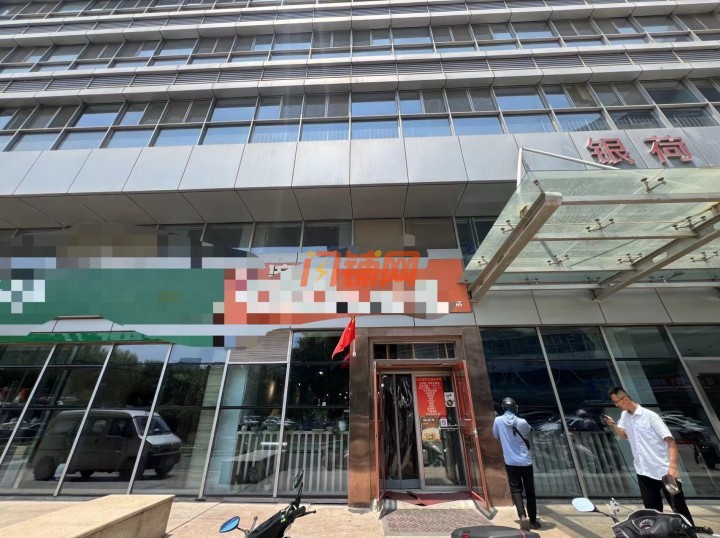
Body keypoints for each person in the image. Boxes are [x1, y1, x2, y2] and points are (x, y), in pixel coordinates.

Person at [604, 387, 695, 525]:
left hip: (664, 470)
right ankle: (657, 533)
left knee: (679, 508)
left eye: (617, 401)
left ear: (626, 399)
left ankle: (691, 532)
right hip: (643, 471)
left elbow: (670, 440)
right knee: (651, 510)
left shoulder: (650, 416)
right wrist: (614, 425)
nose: (616, 405)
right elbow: (625, 436)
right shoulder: (625, 416)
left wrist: (673, 467)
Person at [492, 397, 540, 531]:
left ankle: (522, 515)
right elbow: (528, 431)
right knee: (530, 491)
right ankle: (533, 520)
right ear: (515, 408)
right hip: (525, 461)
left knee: (516, 490)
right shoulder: (522, 422)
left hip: (510, 461)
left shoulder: (498, 421)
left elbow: (495, 435)